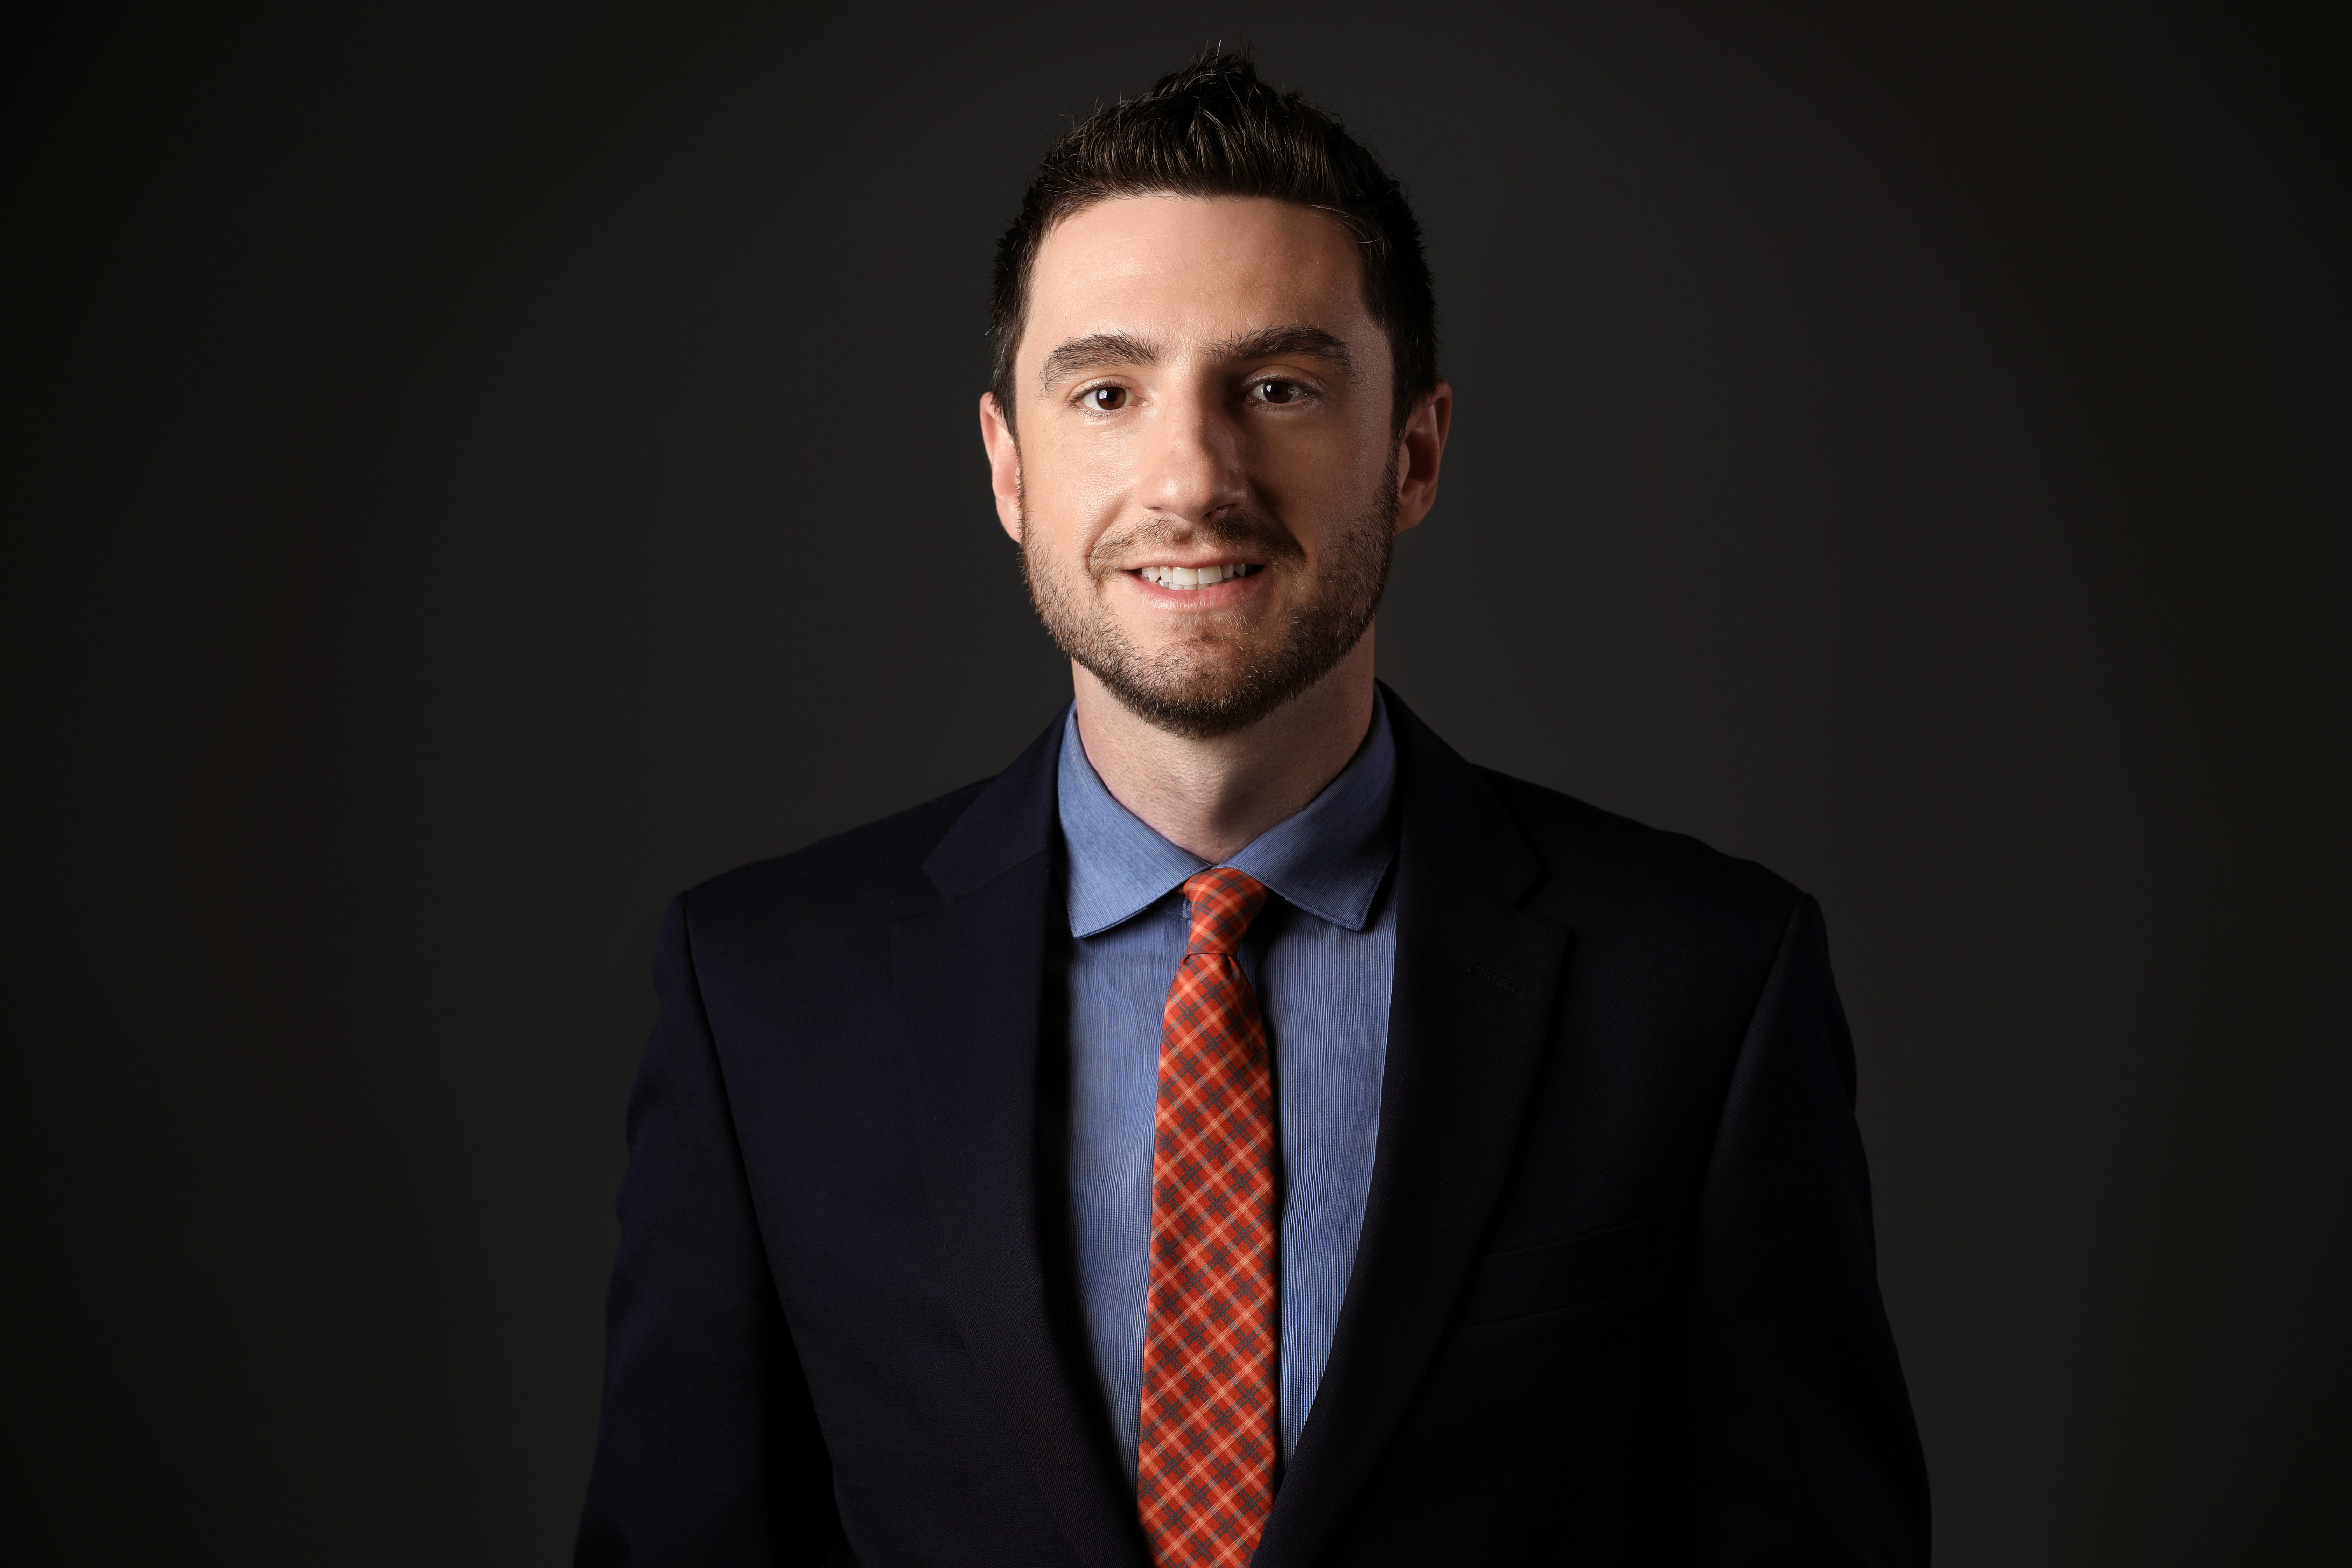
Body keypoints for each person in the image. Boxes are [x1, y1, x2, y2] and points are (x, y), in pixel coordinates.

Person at [576, 50, 1930, 1568]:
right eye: (1108, 391)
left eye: (1278, 388)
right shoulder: (760, 994)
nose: (1193, 475)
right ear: (1011, 466)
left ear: (1413, 453)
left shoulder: (1703, 987)